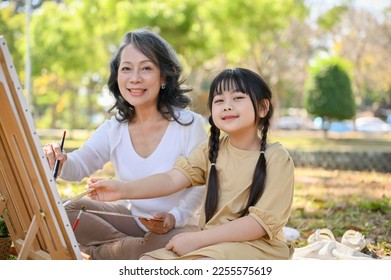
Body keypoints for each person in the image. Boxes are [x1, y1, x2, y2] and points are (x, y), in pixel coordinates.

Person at [88, 67, 295, 260]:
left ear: (262, 107)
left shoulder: (276, 158)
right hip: (213, 243)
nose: (227, 106)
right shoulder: (211, 150)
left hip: (257, 248)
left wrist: (197, 240)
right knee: (148, 261)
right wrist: (122, 189)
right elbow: (171, 179)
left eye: (238, 98)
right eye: (219, 100)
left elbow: (258, 224)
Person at [43, 28, 207, 259]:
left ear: (163, 77)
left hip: (179, 226)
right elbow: (79, 165)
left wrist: (176, 216)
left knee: (160, 249)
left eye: (146, 68)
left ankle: (100, 253)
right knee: (67, 210)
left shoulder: (190, 124)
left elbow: (201, 185)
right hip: (134, 221)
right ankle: (128, 250)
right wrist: (58, 158)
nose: (135, 78)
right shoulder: (115, 128)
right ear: (117, 76)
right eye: (126, 68)